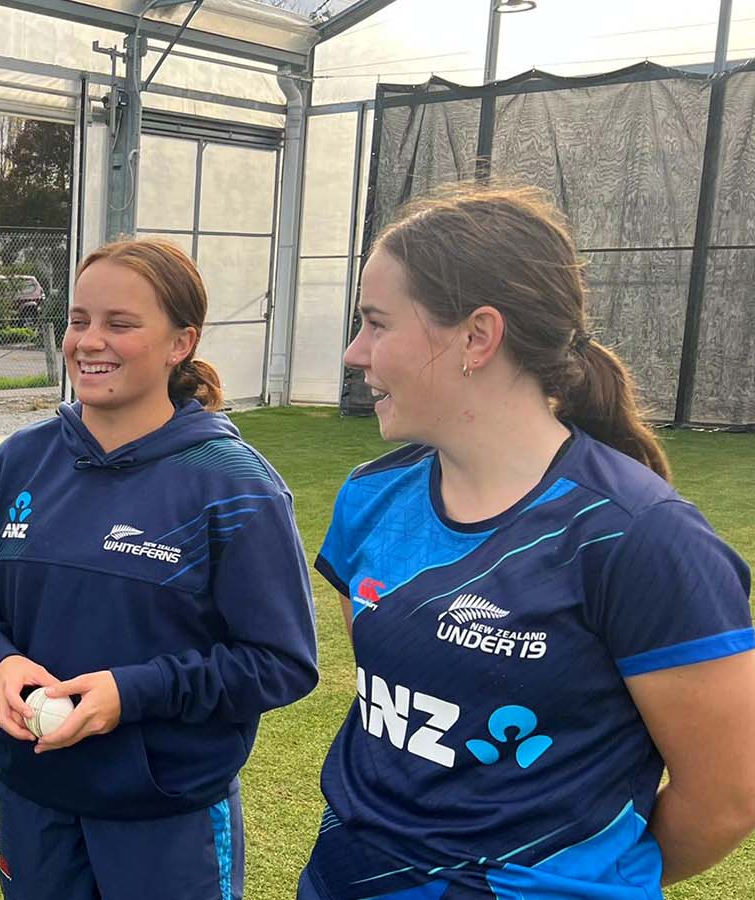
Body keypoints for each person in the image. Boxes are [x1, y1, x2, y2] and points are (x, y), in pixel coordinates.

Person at [300, 184, 755, 899]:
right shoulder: (371, 495)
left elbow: (725, 799)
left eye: (377, 323)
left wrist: (574, 877)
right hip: (345, 877)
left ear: (478, 337)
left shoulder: (641, 538)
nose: (357, 351)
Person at [0, 238, 320, 900]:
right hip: (33, 793)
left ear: (180, 342)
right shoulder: (16, 464)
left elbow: (281, 661)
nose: (90, 341)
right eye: (80, 320)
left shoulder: (232, 484)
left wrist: (131, 693)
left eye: (120, 323)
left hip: (166, 812)